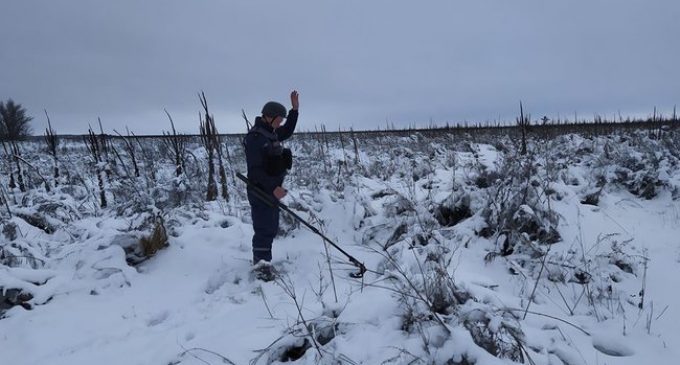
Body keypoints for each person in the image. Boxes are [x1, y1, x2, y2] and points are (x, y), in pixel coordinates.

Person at [244, 90, 299, 281]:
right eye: (279, 119)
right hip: (261, 191)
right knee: (264, 229)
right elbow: (255, 171)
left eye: (282, 119)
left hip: (272, 191)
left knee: (271, 227)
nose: (281, 123)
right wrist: (272, 188)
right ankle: (261, 268)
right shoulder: (256, 138)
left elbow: (288, 130)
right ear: (269, 117)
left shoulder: (271, 133)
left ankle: (263, 261)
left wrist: (295, 110)